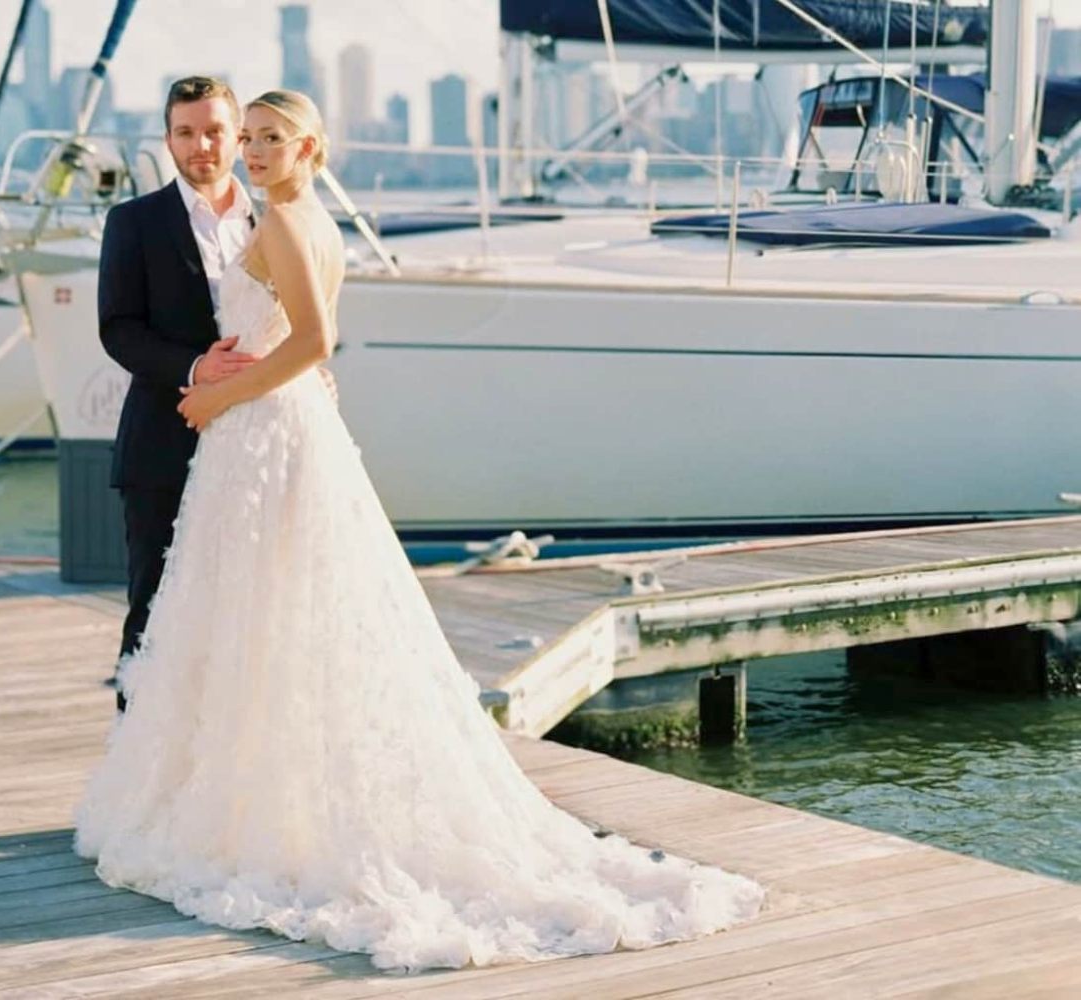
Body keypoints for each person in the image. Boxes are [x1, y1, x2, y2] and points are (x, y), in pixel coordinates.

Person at [75, 89, 764, 973]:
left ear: (307, 145)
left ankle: (227, 805)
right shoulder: (263, 217)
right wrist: (230, 381)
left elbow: (313, 340)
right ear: (172, 139)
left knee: (261, 610)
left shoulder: (278, 217)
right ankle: (210, 784)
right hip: (253, 437)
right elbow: (145, 328)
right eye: (232, 135)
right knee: (234, 613)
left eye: (258, 135)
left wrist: (219, 393)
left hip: (255, 428)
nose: (238, 147)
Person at [96, 77, 258, 712]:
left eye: (214, 131)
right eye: (186, 133)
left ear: (238, 136)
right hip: (162, 445)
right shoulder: (133, 222)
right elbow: (118, 329)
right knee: (155, 610)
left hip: (254, 443)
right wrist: (195, 366)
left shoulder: (267, 221)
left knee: (245, 610)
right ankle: (135, 764)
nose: (202, 146)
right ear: (168, 140)